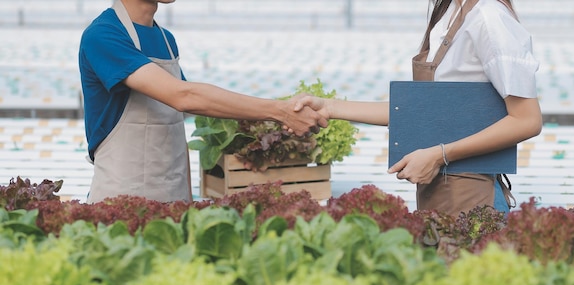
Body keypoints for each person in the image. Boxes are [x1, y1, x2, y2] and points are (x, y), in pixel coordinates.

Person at [295, 0, 543, 218]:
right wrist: (328, 107)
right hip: (442, 189)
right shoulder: (450, 11)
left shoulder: (490, 18)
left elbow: (526, 120)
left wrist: (439, 155)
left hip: (473, 193)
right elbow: (419, 111)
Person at [78, 0, 326, 204]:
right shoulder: (103, 35)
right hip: (120, 201)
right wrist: (279, 111)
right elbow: (183, 96)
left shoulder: (166, 39)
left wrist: (187, 199)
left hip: (173, 198)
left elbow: (174, 126)